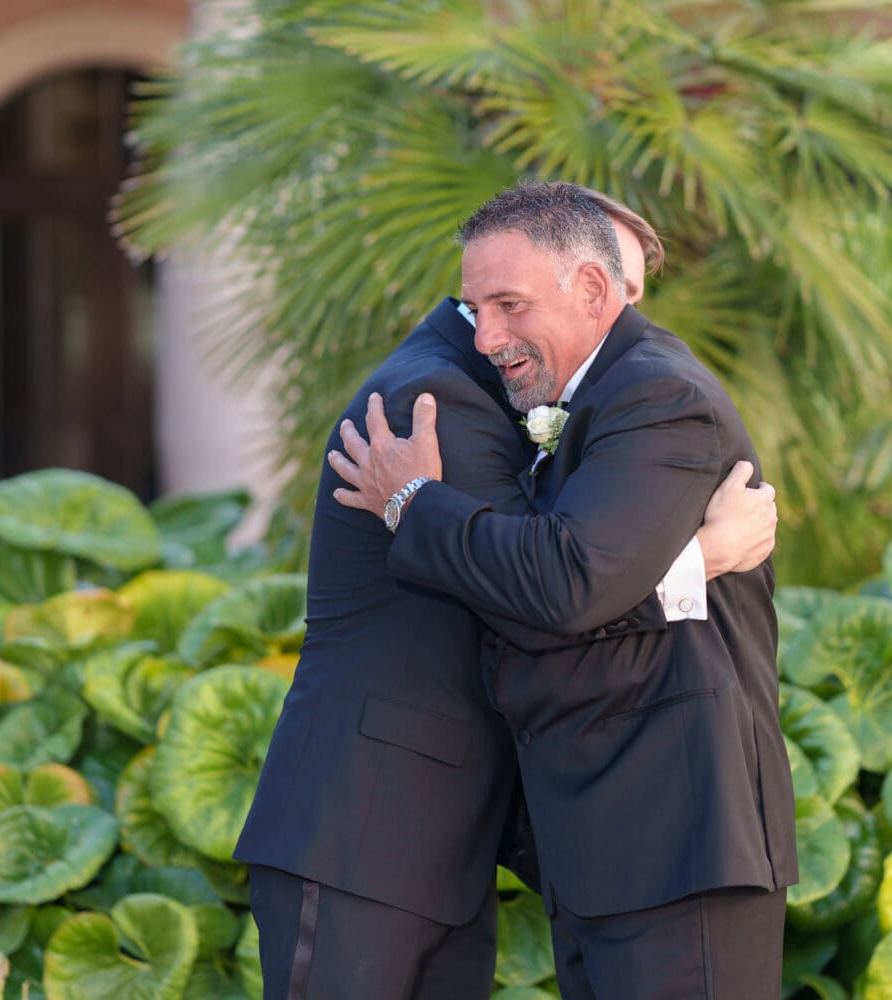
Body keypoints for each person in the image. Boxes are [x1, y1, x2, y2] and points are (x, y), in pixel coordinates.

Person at [235, 193, 778, 1000]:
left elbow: (566, 587)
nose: (491, 332)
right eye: (484, 303)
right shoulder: (440, 401)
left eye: (635, 288)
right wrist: (704, 554)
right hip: (369, 831)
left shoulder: (617, 398)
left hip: (530, 838)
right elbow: (549, 590)